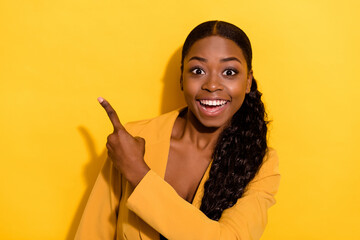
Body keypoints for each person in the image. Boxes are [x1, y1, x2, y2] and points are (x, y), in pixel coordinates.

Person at [75, 20, 280, 240]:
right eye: (198, 70)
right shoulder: (132, 140)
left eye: (229, 72)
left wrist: (138, 173)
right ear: (181, 78)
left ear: (248, 82)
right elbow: (92, 233)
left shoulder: (260, 162)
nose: (212, 85)